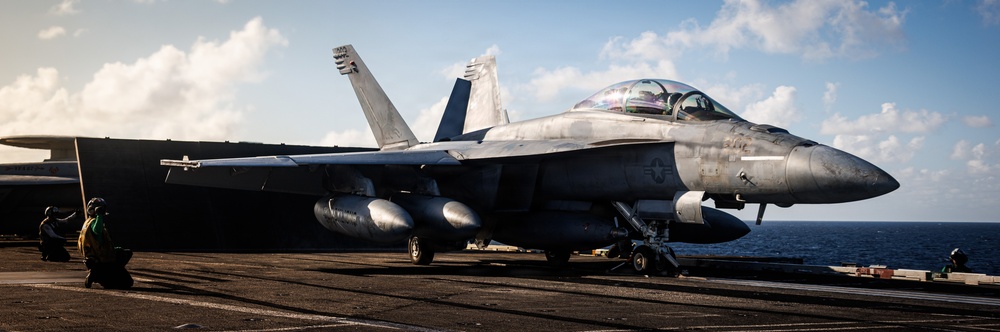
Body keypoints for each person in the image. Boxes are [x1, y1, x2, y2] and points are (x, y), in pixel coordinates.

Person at [78, 197, 133, 289]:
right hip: (102, 257)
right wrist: (99, 216)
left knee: (124, 253)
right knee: (126, 282)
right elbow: (97, 231)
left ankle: (98, 273)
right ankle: (96, 273)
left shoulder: (87, 222)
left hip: (95, 255)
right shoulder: (94, 221)